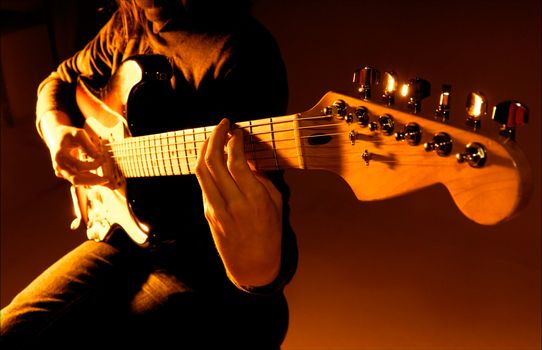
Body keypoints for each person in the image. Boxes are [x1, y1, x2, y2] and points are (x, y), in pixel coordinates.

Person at [0, 0, 298, 348]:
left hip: (205, 269)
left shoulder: (242, 49)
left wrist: (259, 270)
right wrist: (56, 131)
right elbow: (60, 79)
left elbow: (269, 240)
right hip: (124, 236)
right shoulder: (127, 24)